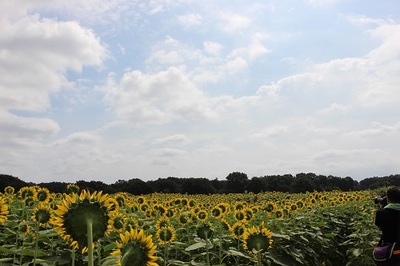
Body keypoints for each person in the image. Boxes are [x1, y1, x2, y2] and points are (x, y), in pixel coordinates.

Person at [374, 187, 400, 266]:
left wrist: (382, 207)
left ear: (388, 198)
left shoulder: (381, 213)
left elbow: (380, 227)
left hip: (390, 250)